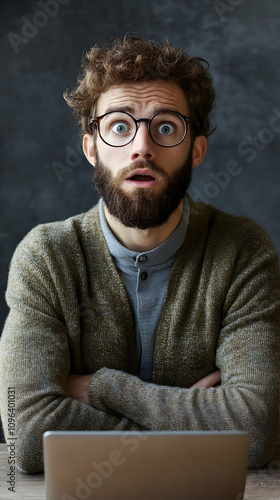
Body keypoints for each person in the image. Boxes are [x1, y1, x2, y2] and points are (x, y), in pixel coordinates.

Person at [0, 35, 279, 474]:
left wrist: (102, 388)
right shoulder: (45, 257)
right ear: (92, 148)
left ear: (197, 150)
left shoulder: (243, 250)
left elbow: (257, 431)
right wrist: (195, 413)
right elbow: (27, 439)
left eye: (166, 126)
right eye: (119, 126)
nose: (142, 147)